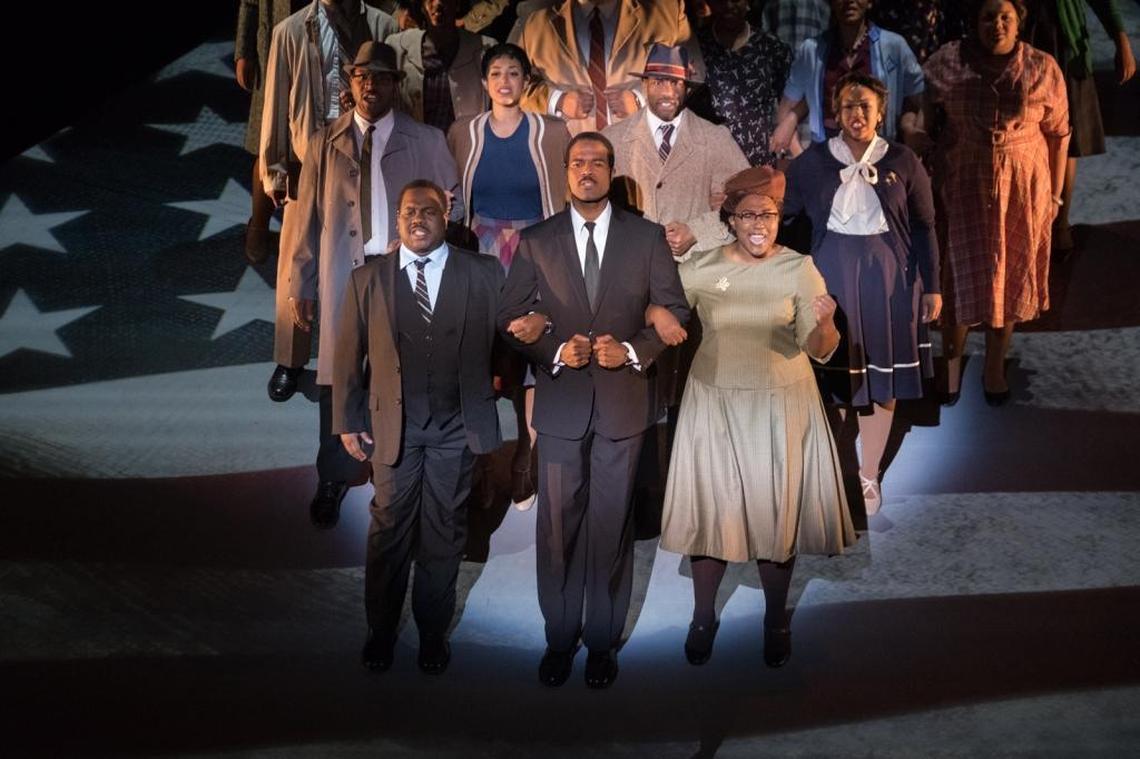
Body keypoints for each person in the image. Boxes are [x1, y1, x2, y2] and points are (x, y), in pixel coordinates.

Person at [497, 132, 690, 689]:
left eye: (598, 162)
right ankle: (560, 639)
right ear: (565, 172)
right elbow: (510, 318)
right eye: (578, 162)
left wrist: (631, 350)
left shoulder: (646, 238)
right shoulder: (536, 241)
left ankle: (602, 643)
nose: (587, 170)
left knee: (611, 526)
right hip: (560, 408)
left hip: (622, 407)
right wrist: (554, 350)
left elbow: (674, 310)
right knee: (557, 529)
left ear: (611, 171)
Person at [659, 166, 855, 668]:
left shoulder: (799, 268)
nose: (759, 225)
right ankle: (703, 617)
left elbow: (821, 349)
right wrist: (655, 316)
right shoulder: (701, 267)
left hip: (780, 406)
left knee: (776, 517)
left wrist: (827, 322)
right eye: (747, 215)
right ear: (730, 220)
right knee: (711, 515)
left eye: (767, 215)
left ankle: (775, 619)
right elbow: (664, 309)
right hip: (715, 403)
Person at [285, 41, 463, 527]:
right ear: (351, 82)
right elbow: (307, 218)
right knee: (339, 374)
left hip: (403, 270)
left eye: (381, 77)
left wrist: (420, 236)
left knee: (404, 372)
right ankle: (335, 476)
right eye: (362, 76)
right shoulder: (325, 141)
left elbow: (454, 203)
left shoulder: (425, 139)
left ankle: (400, 471)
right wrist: (301, 282)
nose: (370, 85)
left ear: (394, 85)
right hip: (342, 272)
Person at [332, 179, 503, 675]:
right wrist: (347, 419)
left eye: (428, 211)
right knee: (388, 531)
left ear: (445, 217)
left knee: (443, 533)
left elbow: (513, 333)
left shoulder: (483, 273)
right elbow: (348, 356)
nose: (417, 219)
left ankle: (432, 634)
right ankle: (380, 632)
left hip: (456, 429)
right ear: (398, 218)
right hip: (393, 430)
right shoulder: (368, 279)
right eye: (408, 211)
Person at [783, 72, 940, 513]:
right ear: (835, 112)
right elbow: (786, 218)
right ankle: (833, 472)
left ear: (880, 112)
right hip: (830, 280)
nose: (857, 113)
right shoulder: (812, 163)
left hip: (888, 283)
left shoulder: (904, 160)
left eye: (865, 105)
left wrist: (933, 287)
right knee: (833, 380)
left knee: (882, 379)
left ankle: (869, 474)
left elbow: (925, 226)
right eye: (849, 105)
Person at [923, 0, 1070, 404]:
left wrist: (1055, 195)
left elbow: (1059, 134)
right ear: (974, 21)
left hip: (1021, 188)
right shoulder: (948, 61)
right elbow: (923, 113)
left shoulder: (1042, 67)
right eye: (988, 16)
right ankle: (951, 365)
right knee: (957, 273)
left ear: (1019, 22)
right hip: (962, 183)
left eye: (1006, 17)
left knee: (1008, 274)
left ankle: (994, 366)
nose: (997, 25)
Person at [447, 43, 571, 508]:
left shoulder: (551, 131)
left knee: (534, 352)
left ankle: (526, 456)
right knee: (477, 354)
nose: (504, 81)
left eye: (514, 72)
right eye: (496, 73)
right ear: (484, 82)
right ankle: (479, 462)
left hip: (535, 250)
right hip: (480, 251)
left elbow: (564, 199)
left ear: (526, 80)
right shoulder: (463, 132)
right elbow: (454, 200)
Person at [260, 0, 397, 404]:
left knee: (359, 257)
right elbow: (276, 101)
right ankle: (290, 358)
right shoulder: (291, 31)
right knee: (297, 260)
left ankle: (366, 357)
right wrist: (275, 168)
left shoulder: (382, 25)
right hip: (310, 159)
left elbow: (398, 93)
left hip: (366, 158)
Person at [1022, 0, 1135, 250]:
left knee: (1067, 135)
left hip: (1065, 43)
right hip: (1021, 36)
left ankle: (1060, 223)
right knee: (1021, 134)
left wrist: (1121, 39)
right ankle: (1030, 223)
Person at [514, 0, 702, 135]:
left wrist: (643, 98)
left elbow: (695, 72)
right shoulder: (534, 18)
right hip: (565, 160)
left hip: (646, 159)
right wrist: (556, 100)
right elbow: (508, 85)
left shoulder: (666, 10)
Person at [771, 0, 924, 155]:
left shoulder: (893, 46)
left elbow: (920, 98)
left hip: (878, 157)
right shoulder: (812, 50)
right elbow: (787, 106)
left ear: (869, 2)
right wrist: (801, 157)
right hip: (826, 157)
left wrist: (909, 129)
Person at [234, 0, 303, 266]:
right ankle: (258, 227)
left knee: (309, 147)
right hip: (274, 48)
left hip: (324, 48)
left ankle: (301, 232)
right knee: (269, 142)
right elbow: (250, 3)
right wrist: (244, 52)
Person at [691, 0, 793, 168]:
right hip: (708, 161)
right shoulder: (696, 45)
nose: (729, 6)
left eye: (736, 0)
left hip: (758, 163)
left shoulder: (771, 48)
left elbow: (789, 100)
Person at [386, 0, 497, 132]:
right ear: (421, 6)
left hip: (466, 142)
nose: (438, 3)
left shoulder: (484, 51)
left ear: (457, 4)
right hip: (413, 142)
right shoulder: (398, 48)